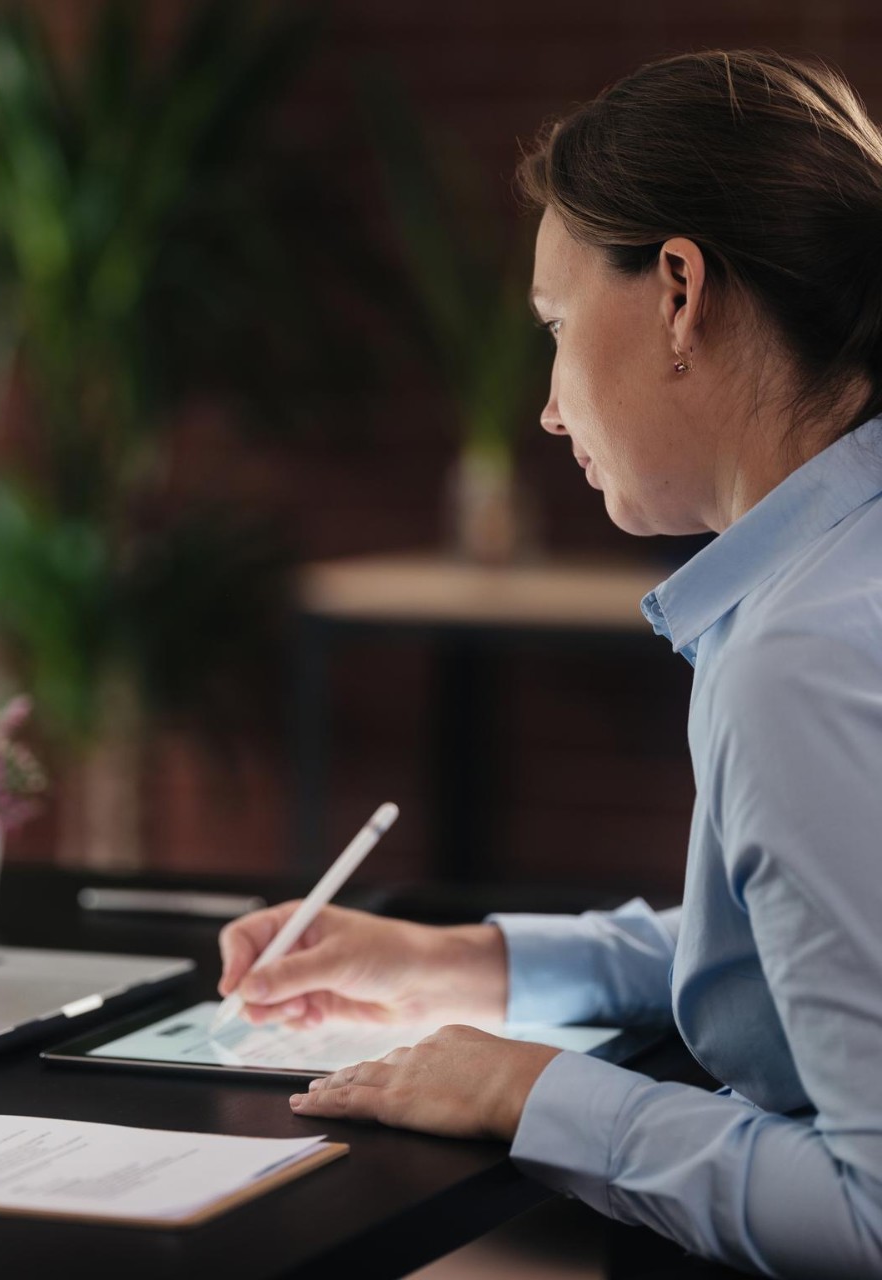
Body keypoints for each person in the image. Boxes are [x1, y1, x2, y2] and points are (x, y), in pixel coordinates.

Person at [218, 49, 882, 1278]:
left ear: (678, 289)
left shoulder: (801, 652)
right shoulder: (836, 569)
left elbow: (868, 1207)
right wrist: (463, 964)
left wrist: (532, 1092)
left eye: (556, 324)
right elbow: (831, 930)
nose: (548, 408)